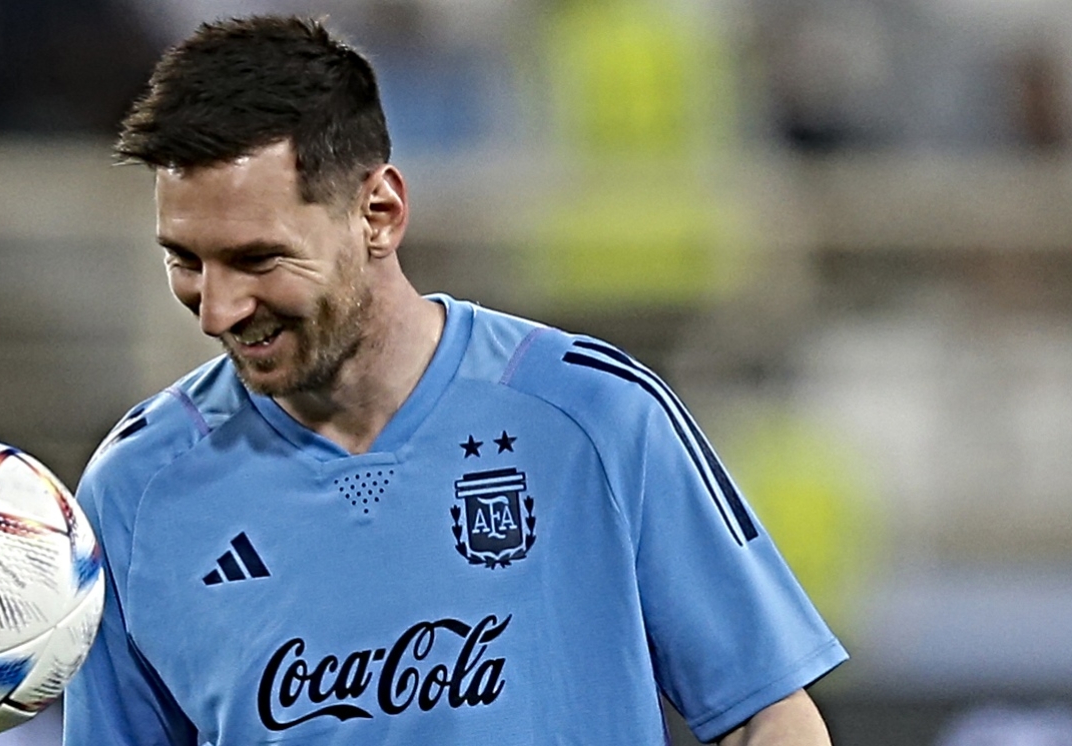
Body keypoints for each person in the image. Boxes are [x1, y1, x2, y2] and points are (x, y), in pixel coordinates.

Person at [64, 14, 845, 745]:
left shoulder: (594, 415)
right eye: (186, 260)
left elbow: (767, 716)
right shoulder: (136, 488)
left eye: (258, 259)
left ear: (378, 213)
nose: (217, 310)